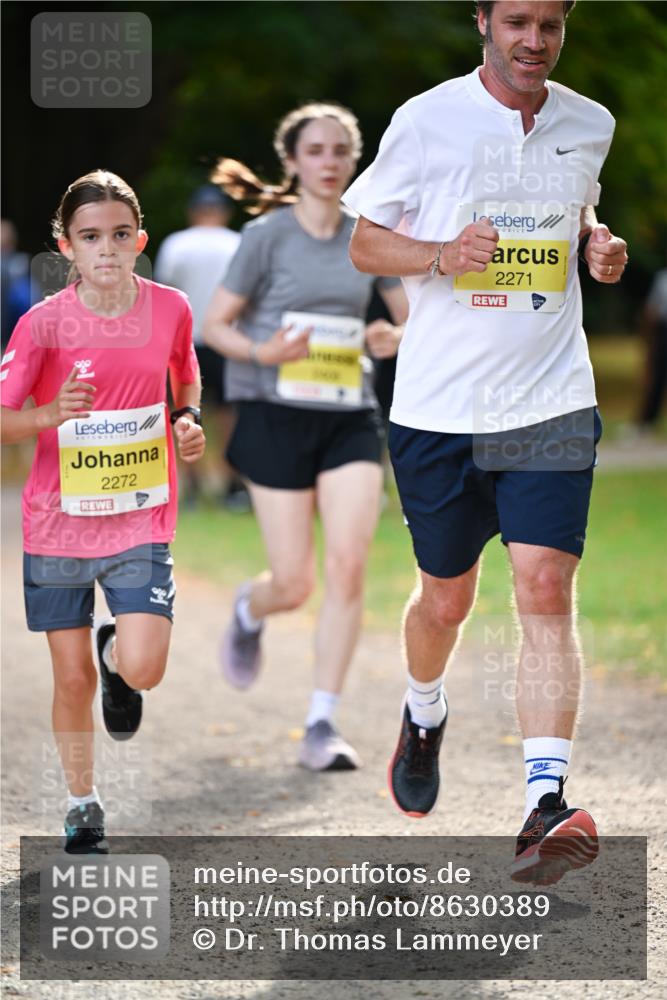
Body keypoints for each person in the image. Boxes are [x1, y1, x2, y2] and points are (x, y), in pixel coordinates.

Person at [345, 0, 628, 884]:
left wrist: (597, 247)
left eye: (549, 24)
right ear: (482, 20)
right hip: (438, 408)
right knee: (446, 600)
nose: (532, 40)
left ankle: (544, 801)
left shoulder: (590, 123)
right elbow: (363, 244)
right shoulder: (425, 119)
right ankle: (422, 710)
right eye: (516, 21)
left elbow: (577, 215)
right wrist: (438, 253)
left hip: (549, 400)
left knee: (544, 584)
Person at [0, 170, 205, 853]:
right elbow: (4, 419)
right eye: (91, 237)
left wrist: (186, 417)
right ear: (66, 246)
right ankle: (83, 802)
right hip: (57, 521)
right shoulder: (42, 323)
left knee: (145, 665)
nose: (107, 249)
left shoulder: (171, 307)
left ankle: (118, 658)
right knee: (67, 677)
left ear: (139, 240)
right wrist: (47, 415)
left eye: (120, 235)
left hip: (139, 518)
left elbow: (184, 370)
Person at [203, 102, 407, 771]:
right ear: (291, 161)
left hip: (348, 415)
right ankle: (249, 607)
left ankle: (322, 722)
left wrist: (392, 335)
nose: (328, 163)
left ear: (354, 163)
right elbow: (217, 326)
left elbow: (411, 320)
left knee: (348, 566)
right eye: (314, 151)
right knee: (293, 583)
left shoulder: (367, 235)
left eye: (340, 152)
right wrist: (264, 353)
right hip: (274, 413)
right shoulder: (265, 236)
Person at [154, 185, 248, 509]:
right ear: (223, 211)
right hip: (226, 337)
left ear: (193, 212)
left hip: (185, 340)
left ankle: (191, 488)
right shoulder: (237, 243)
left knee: (184, 412)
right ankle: (233, 486)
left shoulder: (176, 244)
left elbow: (165, 294)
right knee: (230, 414)